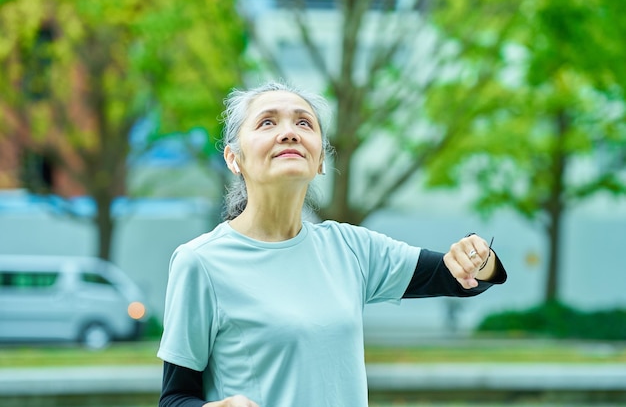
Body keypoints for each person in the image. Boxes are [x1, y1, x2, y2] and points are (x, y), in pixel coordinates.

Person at [157, 81, 507, 407]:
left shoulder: (351, 248)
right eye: (267, 123)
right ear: (234, 158)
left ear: (321, 159)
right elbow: (175, 397)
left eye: (304, 123)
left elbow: (458, 278)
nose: (289, 133)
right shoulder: (200, 262)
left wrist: (477, 257)